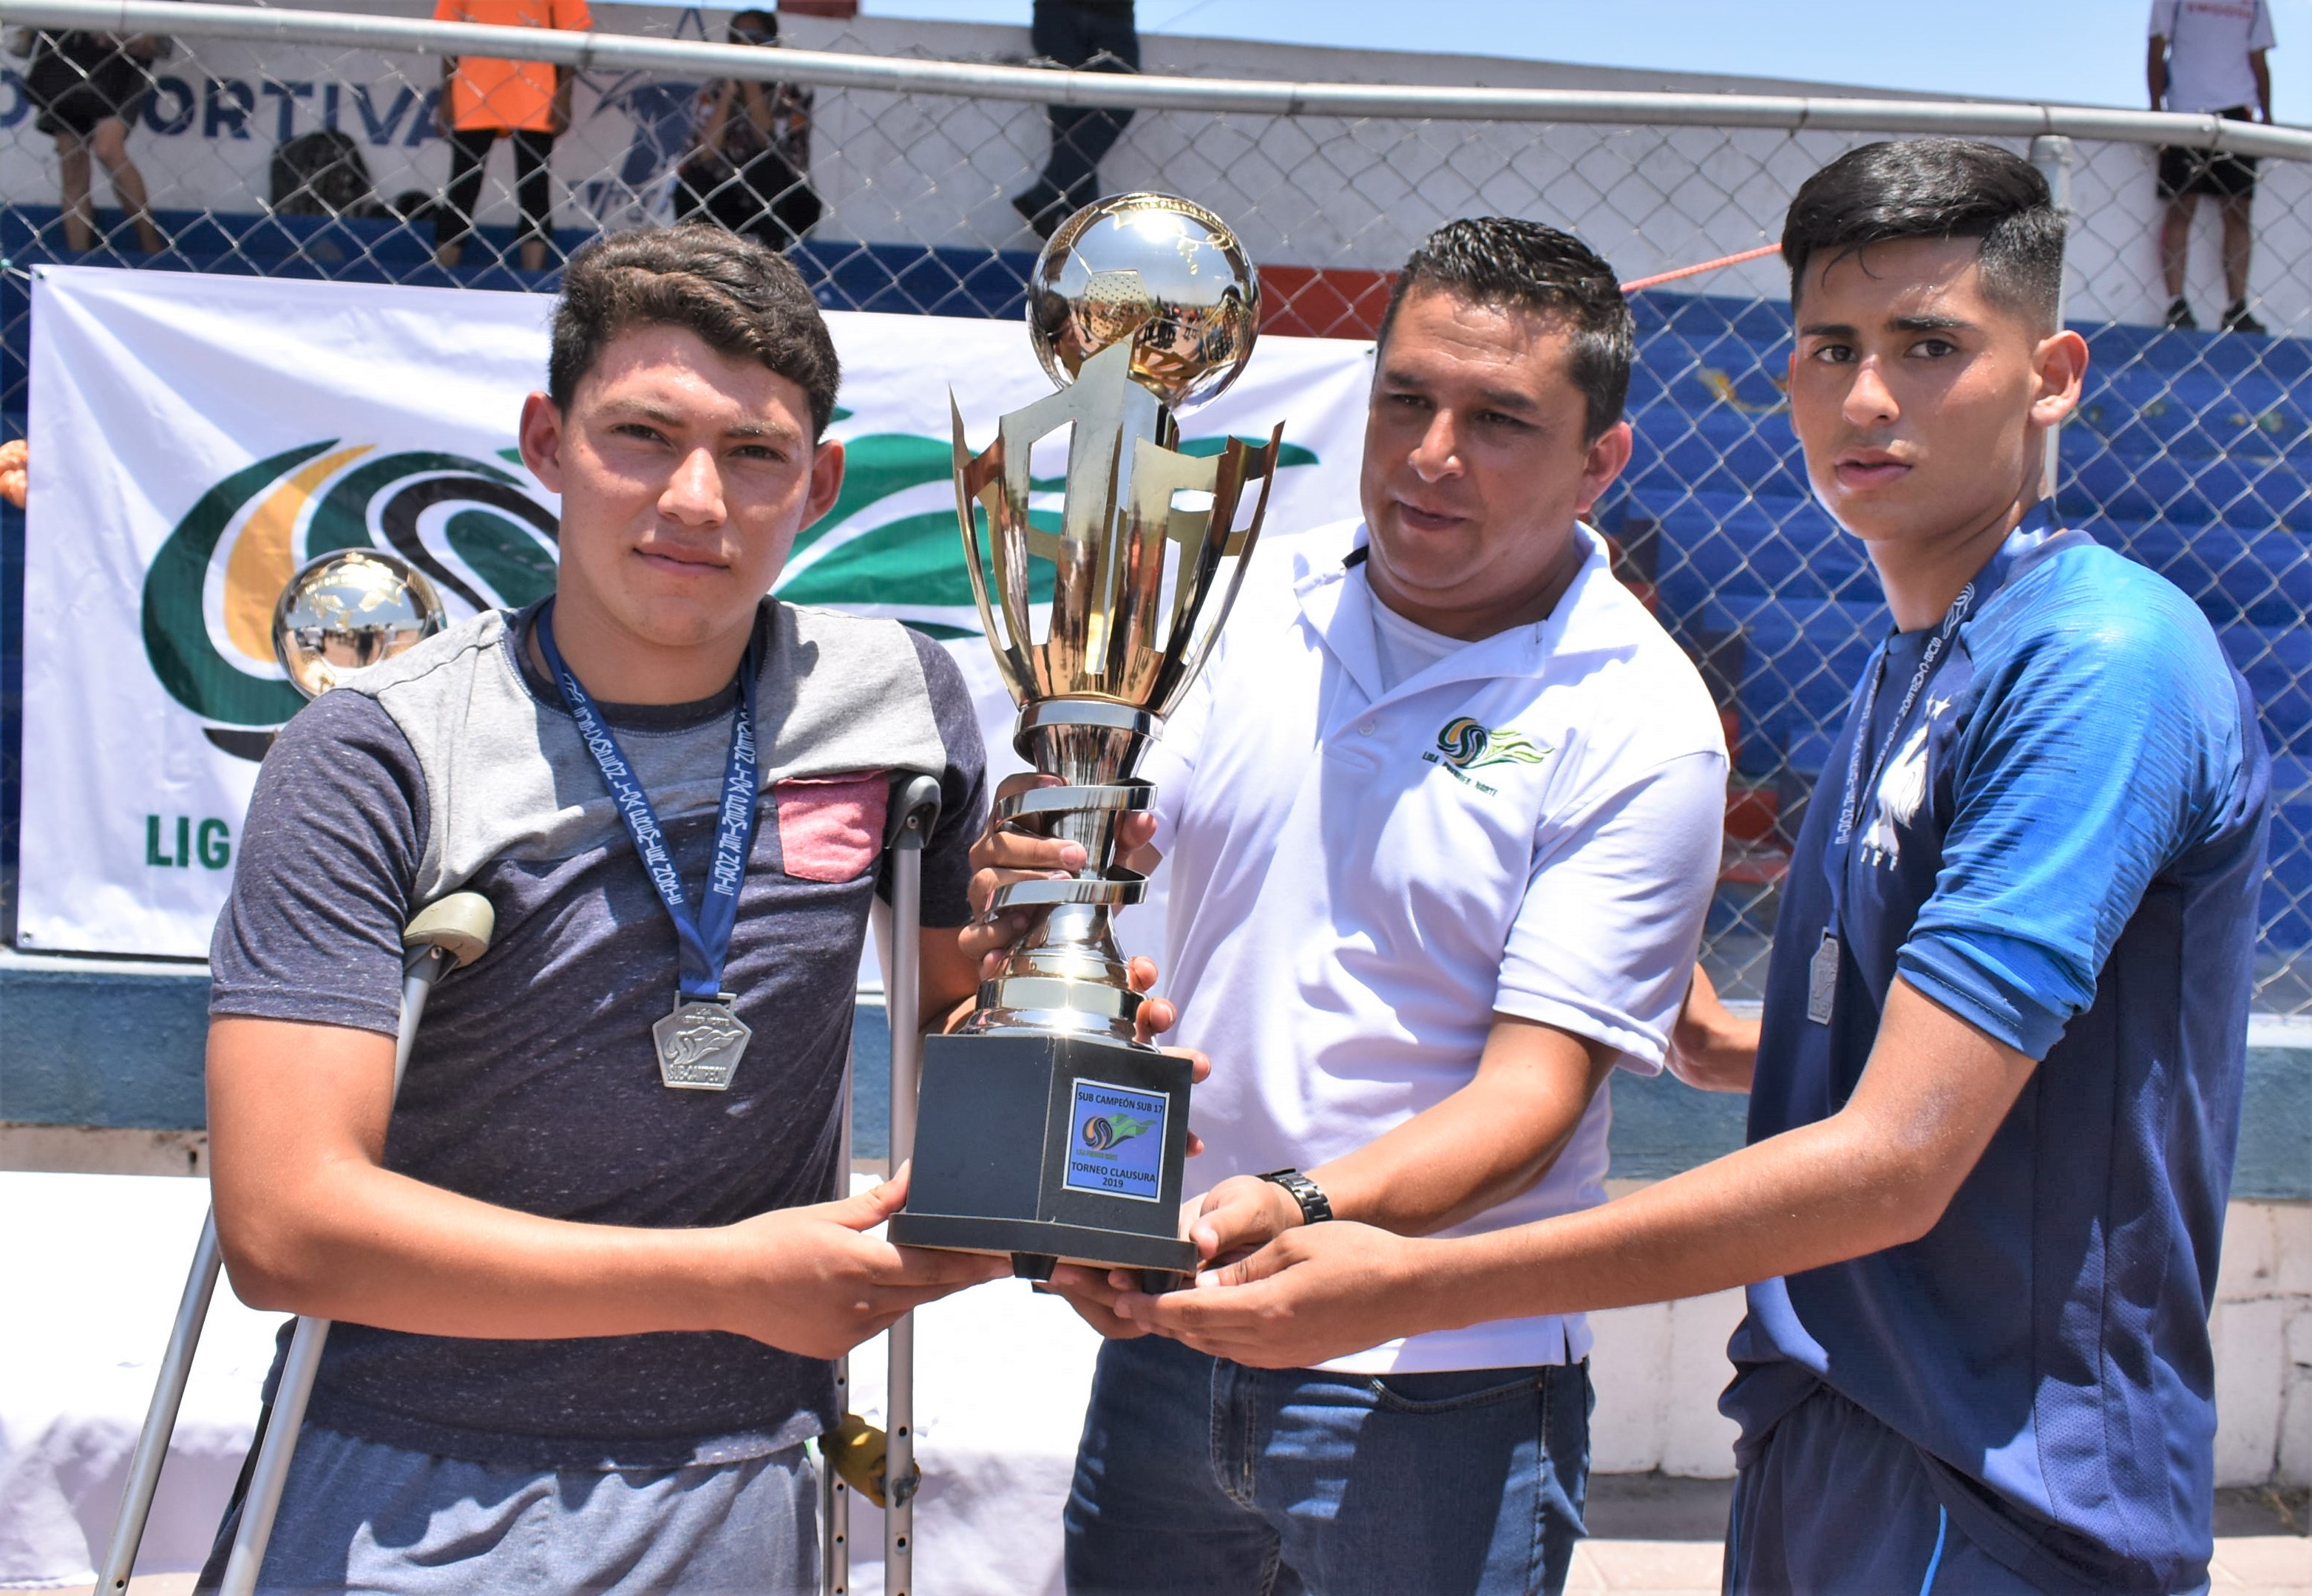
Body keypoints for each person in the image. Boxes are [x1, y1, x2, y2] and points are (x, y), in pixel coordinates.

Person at [1123, 139, 2271, 1596]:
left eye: (1930, 347)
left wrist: (1405, 1274)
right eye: (1830, 347)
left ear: (2052, 375)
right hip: (1831, 1420)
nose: (1866, 396)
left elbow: (1900, 1160)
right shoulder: (1906, 667)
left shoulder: (2099, 664)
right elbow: (1846, 1043)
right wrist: (1681, 1019)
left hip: (2010, 1475)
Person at [191, 225, 1084, 1592]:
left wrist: (1063, 983)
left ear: (820, 480)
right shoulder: (381, 748)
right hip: (408, 1488)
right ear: (546, 442)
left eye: (753, 453)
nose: (693, 498)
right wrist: (722, 1277)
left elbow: (956, 1018)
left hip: (745, 1478)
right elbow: (283, 1221)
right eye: (640, 435)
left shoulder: (897, 701)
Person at [976, 217, 1729, 1595]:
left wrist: (1295, 1201)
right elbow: (1101, 922)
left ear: (1598, 460)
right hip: (1172, 1332)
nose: (1434, 452)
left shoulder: (1638, 718)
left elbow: (1533, 1094)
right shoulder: (1228, 598)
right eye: (1407, 398)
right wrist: (1032, 885)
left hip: (1439, 1383)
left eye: (1500, 418)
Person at [431, 0, 591, 273]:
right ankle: (442, 276)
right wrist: (447, 92)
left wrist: (565, 93)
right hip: (474, 88)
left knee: (534, 188)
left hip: (534, 91)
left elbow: (573, 35)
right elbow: (448, 34)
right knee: (463, 185)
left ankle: (532, 278)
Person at [2149, 0, 2277, 333]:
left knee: (2238, 211)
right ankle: (2176, 305)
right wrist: (2156, 114)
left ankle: (2237, 307)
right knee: (2181, 206)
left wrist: (2267, 116)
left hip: (2238, 114)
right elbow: (2156, 44)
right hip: (2185, 111)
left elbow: (2258, 58)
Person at [672, 8, 822, 253]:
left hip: (785, 199)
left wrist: (750, 81)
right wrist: (728, 94)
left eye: (754, 38)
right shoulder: (714, 90)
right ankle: (694, 257)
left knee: (763, 167)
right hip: (727, 197)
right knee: (692, 181)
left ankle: (774, 260)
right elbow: (705, 153)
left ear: (773, 45)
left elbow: (768, 143)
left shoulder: (791, 93)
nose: (744, 45)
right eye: (737, 39)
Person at [16, 27, 164, 254]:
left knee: (108, 149)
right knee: (72, 159)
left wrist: (144, 31)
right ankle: (78, 256)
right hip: (67, 44)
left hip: (123, 45)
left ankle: (153, 249)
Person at [1009, 0, 1139, 240]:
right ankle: (1082, 228)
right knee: (1069, 119)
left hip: (1113, 16)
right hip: (1058, 11)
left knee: (1118, 102)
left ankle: (1050, 203)